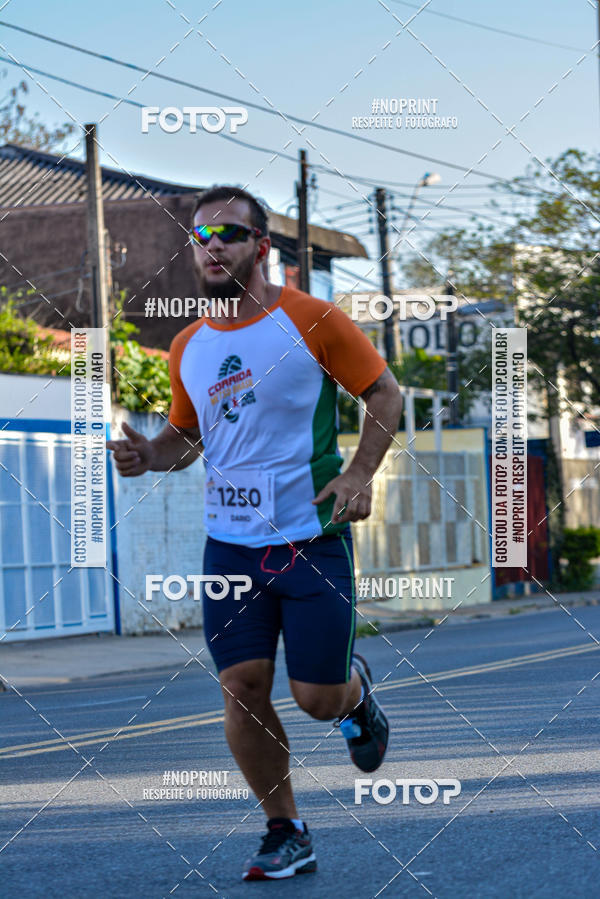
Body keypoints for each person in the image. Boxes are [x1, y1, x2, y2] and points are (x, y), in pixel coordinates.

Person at [107, 185, 403, 881]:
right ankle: (285, 829)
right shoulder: (188, 344)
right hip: (230, 545)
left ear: (261, 247)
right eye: (201, 237)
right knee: (241, 684)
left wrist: (360, 474)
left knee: (315, 698)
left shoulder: (315, 319)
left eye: (229, 234)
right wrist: (148, 454)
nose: (212, 247)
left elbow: (385, 393)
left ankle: (356, 696)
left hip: (311, 537)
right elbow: (185, 436)